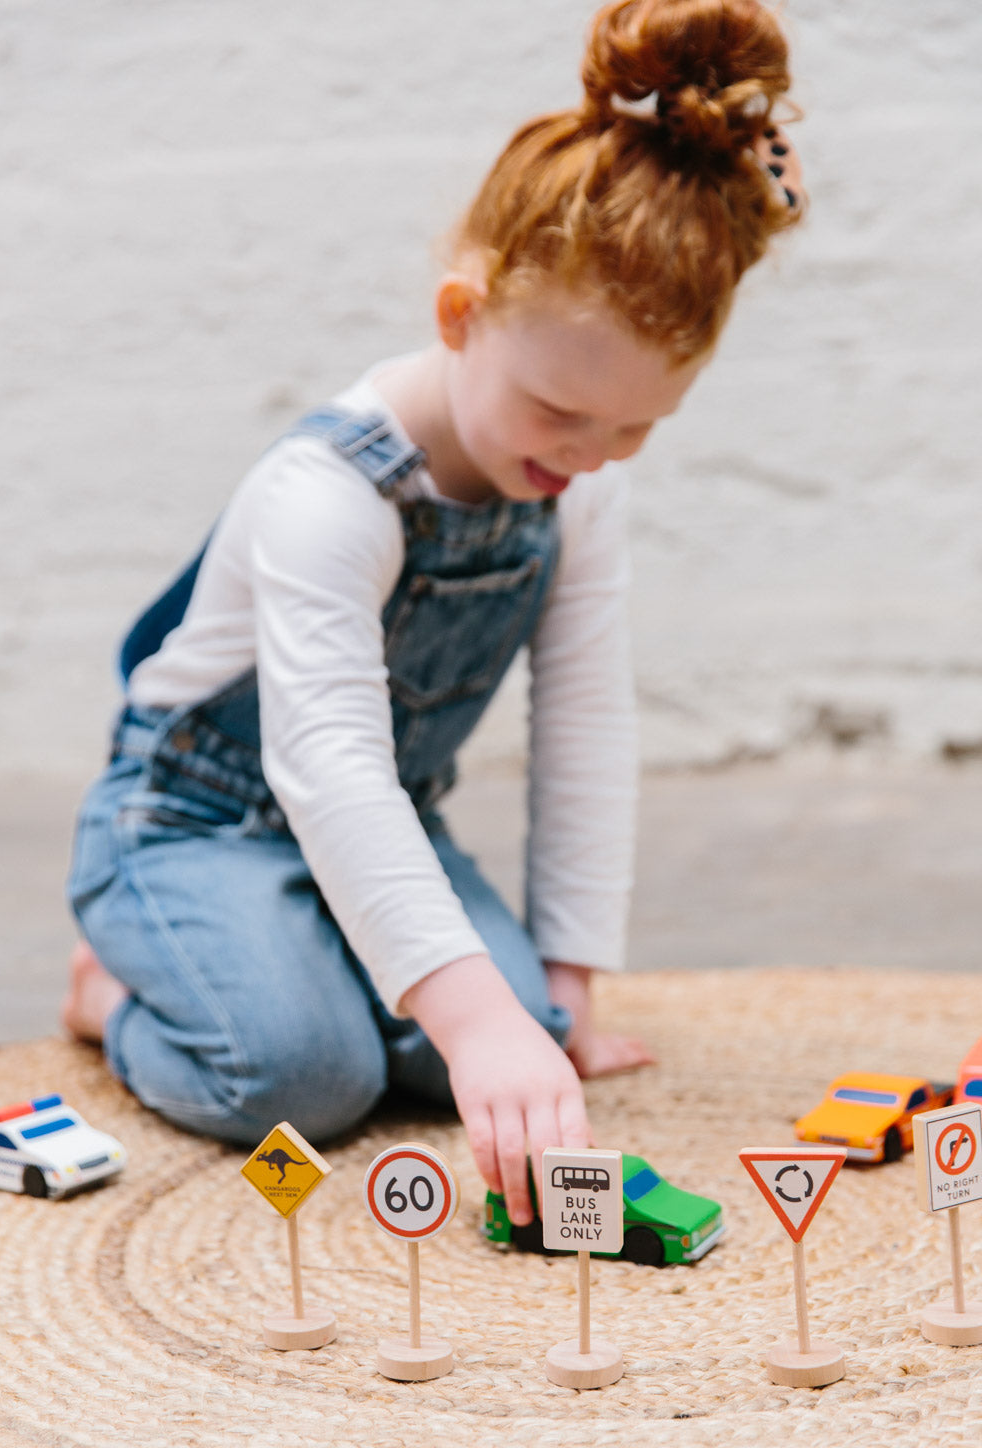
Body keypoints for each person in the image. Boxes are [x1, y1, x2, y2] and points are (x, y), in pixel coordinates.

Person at [63, 0, 804, 1227]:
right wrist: (476, 1023)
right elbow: (332, 769)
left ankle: (327, 963)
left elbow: (583, 727)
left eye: (639, 426)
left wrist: (562, 994)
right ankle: (107, 994)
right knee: (309, 1079)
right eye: (561, 412)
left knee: (509, 1035)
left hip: (386, 821)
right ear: (462, 319)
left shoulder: (577, 487)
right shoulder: (325, 497)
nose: (592, 453)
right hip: (194, 824)